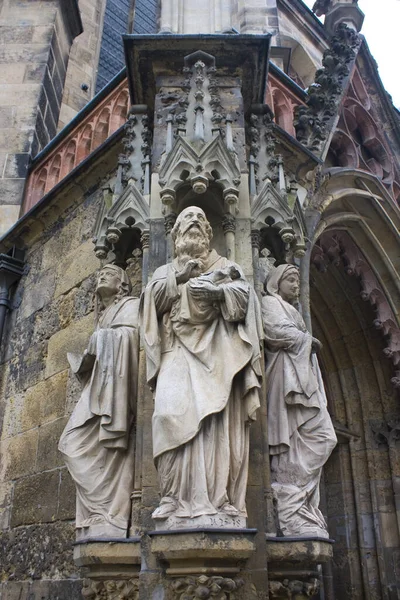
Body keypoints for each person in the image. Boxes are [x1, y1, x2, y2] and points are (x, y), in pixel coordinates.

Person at [141, 206, 262, 524]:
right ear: (176, 234)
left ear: (209, 234)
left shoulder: (227, 266)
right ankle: (172, 496)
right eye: (185, 221)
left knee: (214, 428)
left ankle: (218, 500)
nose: (193, 223)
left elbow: (245, 302)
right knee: (167, 415)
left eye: (200, 221)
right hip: (176, 354)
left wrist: (217, 293)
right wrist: (178, 279)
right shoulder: (164, 272)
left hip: (219, 360)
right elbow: (149, 308)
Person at [59, 264, 140, 539]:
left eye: (109, 273)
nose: (101, 276)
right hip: (100, 388)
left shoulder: (131, 305)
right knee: (70, 444)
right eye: (99, 273)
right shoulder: (103, 316)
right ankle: (99, 510)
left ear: (123, 284)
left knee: (91, 446)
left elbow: (136, 338)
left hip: (116, 391)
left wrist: (103, 339)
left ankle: (111, 515)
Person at [262, 264, 337, 538]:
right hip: (285, 377)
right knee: (293, 435)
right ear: (275, 282)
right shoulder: (269, 303)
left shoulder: (292, 310)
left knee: (325, 438)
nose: (296, 285)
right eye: (291, 280)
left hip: (302, 376)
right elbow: (273, 331)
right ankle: (289, 499)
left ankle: (297, 500)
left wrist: (306, 341)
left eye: (297, 280)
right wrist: (307, 340)